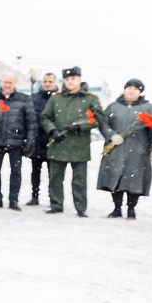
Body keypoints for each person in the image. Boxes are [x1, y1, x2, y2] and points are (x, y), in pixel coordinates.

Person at [40, 66, 104, 217]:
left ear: (79, 80)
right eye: (67, 79)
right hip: (58, 144)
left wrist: (80, 126)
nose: (70, 82)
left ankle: (80, 208)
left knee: (79, 180)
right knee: (55, 178)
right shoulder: (56, 98)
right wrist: (52, 130)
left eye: (73, 79)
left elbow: (98, 117)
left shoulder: (90, 98)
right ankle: (56, 205)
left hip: (79, 145)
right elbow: (45, 117)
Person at [96, 79, 152, 219]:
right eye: (129, 88)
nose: (131, 91)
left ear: (140, 92)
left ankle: (131, 208)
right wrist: (111, 135)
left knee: (133, 181)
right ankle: (117, 208)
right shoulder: (113, 107)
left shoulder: (147, 108)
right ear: (124, 90)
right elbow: (104, 124)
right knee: (115, 178)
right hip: (116, 149)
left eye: (135, 89)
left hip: (138, 151)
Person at [0, 73, 37, 210]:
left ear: (14, 83)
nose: (8, 85)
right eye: (5, 82)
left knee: (16, 172)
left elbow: (31, 122)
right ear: (1, 83)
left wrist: (29, 141)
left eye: (10, 82)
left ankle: (13, 200)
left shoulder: (24, 99)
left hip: (16, 142)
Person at [26, 73, 59, 206]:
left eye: (50, 81)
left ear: (55, 82)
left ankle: (53, 198)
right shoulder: (34, 98)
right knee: (35, 172)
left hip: (53, 141)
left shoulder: (59, 98)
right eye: (45, 81)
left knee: (54, 173)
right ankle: (35, 196)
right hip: (38, 140)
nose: (47, 84)